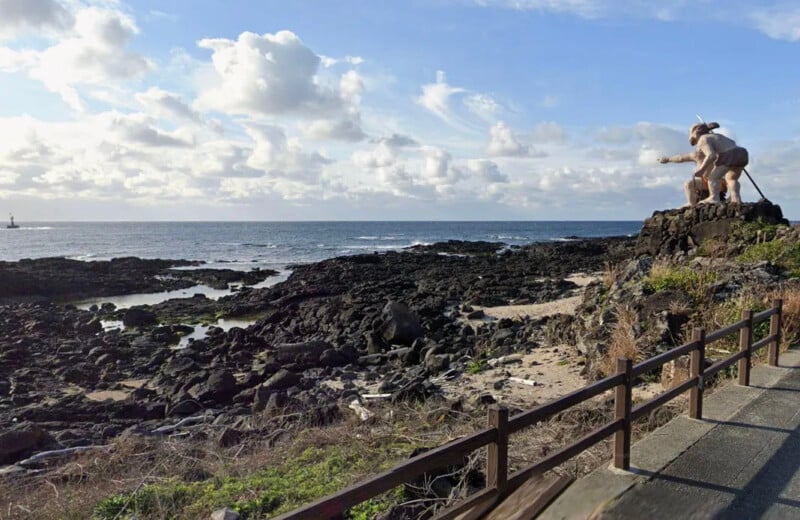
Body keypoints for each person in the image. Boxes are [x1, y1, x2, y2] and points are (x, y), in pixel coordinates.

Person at [659, 122, 748, 206]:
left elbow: (711, 155)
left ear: (694, 133)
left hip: (727, 158)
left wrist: (701, 170)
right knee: (731, 178)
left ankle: (714, 198)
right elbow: (681, 158)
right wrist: (667, 159)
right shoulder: (716, 138)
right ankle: (736, 198)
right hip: (742, 153)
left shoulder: (703, 139)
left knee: (713, 178)